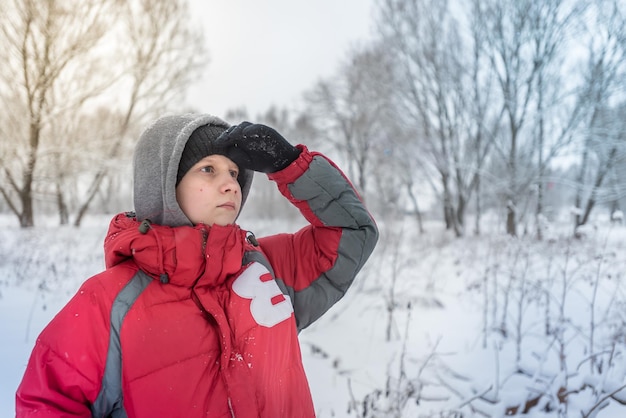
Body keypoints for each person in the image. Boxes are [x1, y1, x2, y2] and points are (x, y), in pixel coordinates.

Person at [15, 113, 378, 417]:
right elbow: (46, 403)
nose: (230, 185)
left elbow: (354, 231)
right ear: (164, 183)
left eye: (235, 173)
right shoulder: (108, 303)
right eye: (208, 169)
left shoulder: (267, 270)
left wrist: (290, 166)